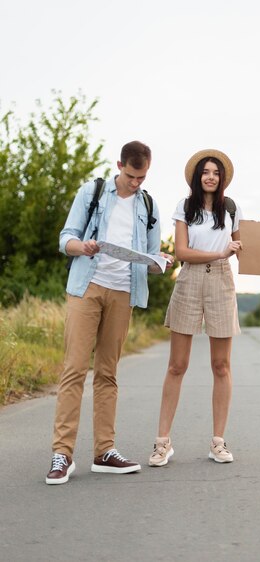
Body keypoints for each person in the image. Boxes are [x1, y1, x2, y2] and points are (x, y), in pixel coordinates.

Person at [148, 149, 260, 467]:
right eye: (206, 171)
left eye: (216, 172)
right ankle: (162, 443)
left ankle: (218, 441)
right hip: (189, 281)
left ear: (223, 178)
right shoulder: (184, 207)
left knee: (221, 366)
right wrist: (219, 252)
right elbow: (182, 252)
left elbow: (247, 253)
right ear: (197, 176)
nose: (211, 177)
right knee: (177, 365)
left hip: (221, 282)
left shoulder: (231, 208)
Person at [46, 140, 172, 485]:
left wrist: (161, 262)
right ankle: (63, 454)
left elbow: (151, 253)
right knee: (74, 369)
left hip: (123, 292)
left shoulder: (149, 205)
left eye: (142, 177)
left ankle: (104, 451)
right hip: (87, 287)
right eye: (132, 176)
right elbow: (65, 238)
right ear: (119, 166)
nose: (136, 183)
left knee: (108, 373)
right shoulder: (93, 191)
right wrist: (81, 246)